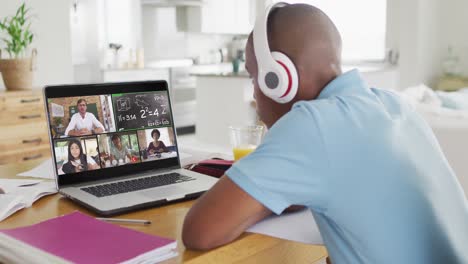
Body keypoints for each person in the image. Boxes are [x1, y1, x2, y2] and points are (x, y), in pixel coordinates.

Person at [182, 3, 468, 264]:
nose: (255, 92)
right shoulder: (393, 104)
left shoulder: (312, 124)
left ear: (278, 78)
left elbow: (200, 230)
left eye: (254, 77)